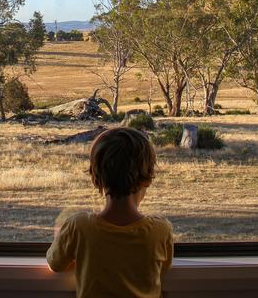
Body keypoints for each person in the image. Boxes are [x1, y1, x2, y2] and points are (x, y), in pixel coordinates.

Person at [46, 127, 173, 298]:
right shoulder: (161, 229)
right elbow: (164, 266)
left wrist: (62, 237)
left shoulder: (78, 226)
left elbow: (55, 264)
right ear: (149, 175)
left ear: (94, 177)